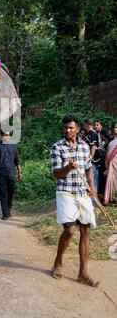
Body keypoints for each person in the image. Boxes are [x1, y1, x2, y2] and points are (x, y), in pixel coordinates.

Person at [51, 114, 99, 287]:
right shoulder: (57, 147)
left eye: (71, 128)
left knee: (86, 229)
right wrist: (68, 168)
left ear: (78, 129)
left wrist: (92, 187)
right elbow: (56, 174)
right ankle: (58, 262)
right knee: (70, 230)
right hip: (65, 192)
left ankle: (83, 273)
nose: (67, 130)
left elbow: (88, 169)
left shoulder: (85, 146)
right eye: (65, 127)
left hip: (82, 192)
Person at [0, 130, 22, 220]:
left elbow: (17, 161)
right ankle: (5, 214)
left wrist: (20, 172)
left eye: (8, 135)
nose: (7, 137)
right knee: (3, 193)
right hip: (1, 173)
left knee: (11, 192)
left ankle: (8, 209)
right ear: (1, 136)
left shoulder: (13, 147)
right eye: (5, 135)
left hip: (11, 173)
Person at [84, 118, 100, 193]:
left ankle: (94, 201)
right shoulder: (89, 134)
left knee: (92, 180)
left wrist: (90, 157)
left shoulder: (93, 134)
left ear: (87, 125)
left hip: (92, 160)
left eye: (84, 125)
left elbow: (93, 146)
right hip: (89, 159)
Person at [104, 121, 117, 205]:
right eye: (115, 127)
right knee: (111, 180)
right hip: (111, 164)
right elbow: (107, 154)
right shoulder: (112, 141)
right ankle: (111, 198)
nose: (115, 129)